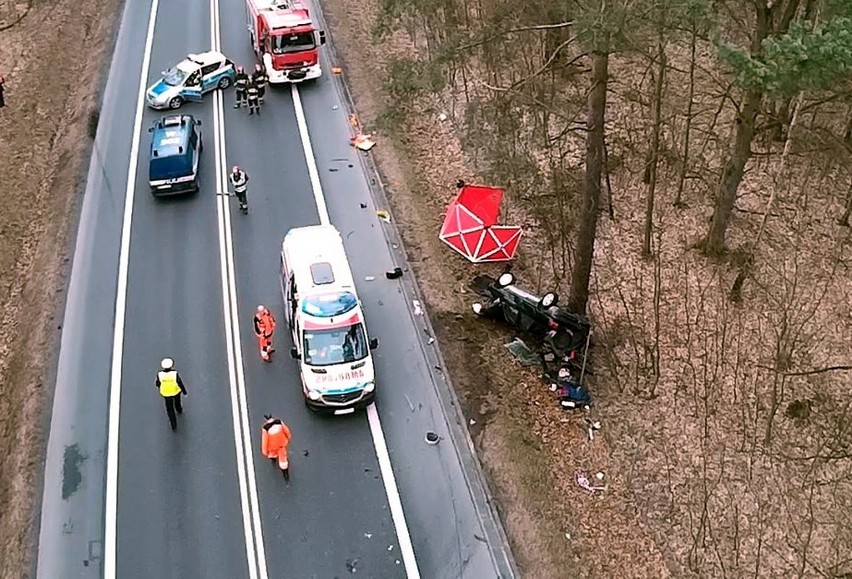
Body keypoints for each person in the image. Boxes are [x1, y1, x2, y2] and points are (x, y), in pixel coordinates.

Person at [156, 358, 188, 431]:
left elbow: (157, 383)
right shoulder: (174, 374)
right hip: (175, 391)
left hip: (166, 393)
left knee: (170, 409)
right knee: (177, 402)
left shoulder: (160, 374)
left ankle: (173, 424)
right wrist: (184, 391)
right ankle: (179, 409)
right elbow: (179, 383)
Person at [261, 415, 292, 480]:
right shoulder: (279, 422)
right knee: (283, 460)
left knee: (272, 455)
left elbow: (265, 440)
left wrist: (265, 451)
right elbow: (286, 430)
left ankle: (274, 460)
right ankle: (285, 473)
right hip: (281, 444)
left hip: (272, 447)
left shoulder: (265, 428)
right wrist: (288, 436)